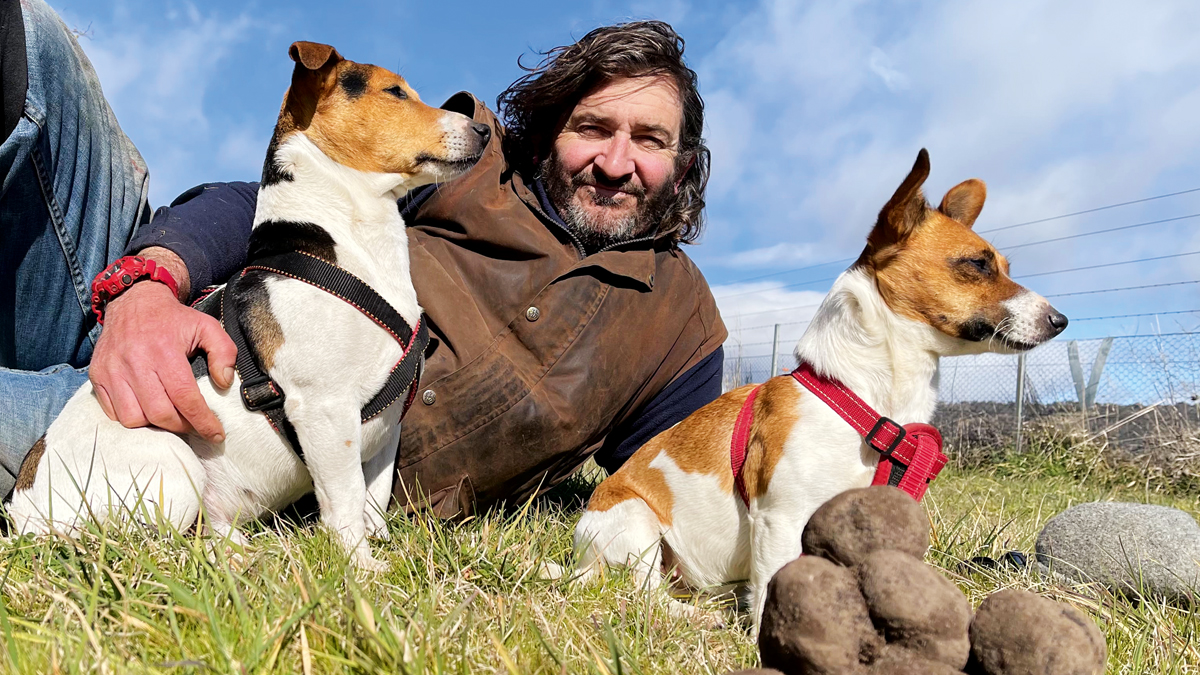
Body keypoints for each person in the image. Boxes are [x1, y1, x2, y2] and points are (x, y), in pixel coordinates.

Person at [1, 0, 727, 516]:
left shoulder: (679, 323)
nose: (616, 161)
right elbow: (255, 199)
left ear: (683, 159)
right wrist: (148, 286)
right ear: (551, 131)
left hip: (186, 435)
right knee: (30, 41)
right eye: (593, 128)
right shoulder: (466, 168)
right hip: (161, 319)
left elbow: (686, 480)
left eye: (651, 140)